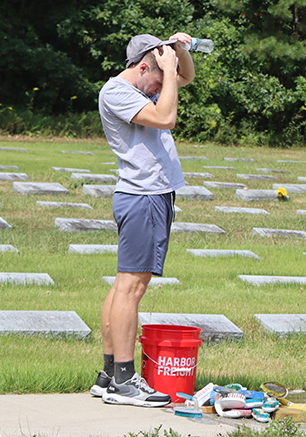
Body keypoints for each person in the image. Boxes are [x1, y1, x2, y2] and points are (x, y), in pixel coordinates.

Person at [89, 33, 196, 407]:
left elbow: (186, 77)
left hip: (149, 195)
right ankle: (124, 381)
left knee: (123, 286)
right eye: (159, 77)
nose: (163, 86)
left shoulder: (141, 88)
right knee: (131, 290)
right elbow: (167, 118)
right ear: (144, 65)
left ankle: (108, 376)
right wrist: (168, 71)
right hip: (143, 196)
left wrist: (179, 54)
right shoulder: (116, 92)